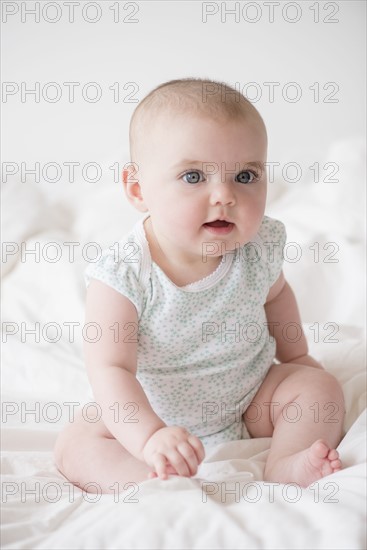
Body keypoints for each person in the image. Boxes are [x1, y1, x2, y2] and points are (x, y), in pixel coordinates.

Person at [54, 78, 345, 493]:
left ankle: (285, 462)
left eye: (245, 175)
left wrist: (297, 357)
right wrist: (149, 436)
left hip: (250, 400)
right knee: (75, 444)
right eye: (193, 177)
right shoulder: (124, 274)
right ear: (138, 190)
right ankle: (152, 483)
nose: (224, 195)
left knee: (319, 388)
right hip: (154, 410)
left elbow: (277, 296)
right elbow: (110, 368)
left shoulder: (257, 246)